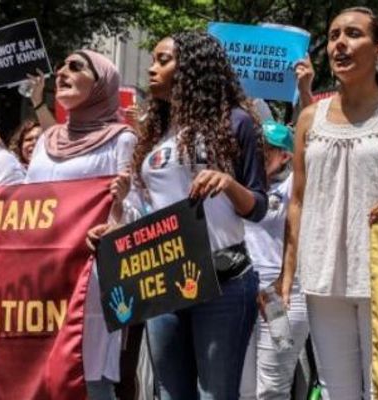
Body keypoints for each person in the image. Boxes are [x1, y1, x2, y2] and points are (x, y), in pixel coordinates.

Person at [279, 7, 378, 399]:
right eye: (334, 34)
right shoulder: (308, 118)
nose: (339, 43)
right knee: (338, 391)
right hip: (321, 278)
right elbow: (297, 199)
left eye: (353, 34)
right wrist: (289, 273)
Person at [128, 31, 268, 400]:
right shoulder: (155, 132)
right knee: (170, 393)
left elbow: (258, 206)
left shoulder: (235, 123)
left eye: (163, 60)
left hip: (223, 282)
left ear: (191, 68)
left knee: (215, 394)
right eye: (153, 60)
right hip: (164, 282)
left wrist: (227, 182)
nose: (152, 68)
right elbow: (149, 210)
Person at [24, 49, 136, 399]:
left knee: (86, 378)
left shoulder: (122, 139)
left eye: (76, 67)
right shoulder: (45, 140)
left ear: (102, 83)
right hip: (41, 278)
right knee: (39, 374)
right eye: (61, 66)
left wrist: (120, 212)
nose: (61, 72)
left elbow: (132, 209)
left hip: (91, 281)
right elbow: (25, 206)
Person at [239, 120, 311, 400]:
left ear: (286, 156)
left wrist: (305, 89)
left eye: (268, 150)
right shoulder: (242, 183)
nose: (259, 155)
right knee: (241, 388)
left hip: (279, 297)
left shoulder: (294, 187)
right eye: (256, 149)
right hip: (241, 294)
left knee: (272, 387)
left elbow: (311, 149)